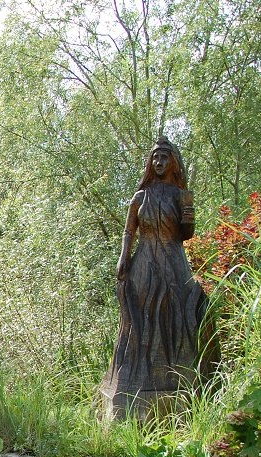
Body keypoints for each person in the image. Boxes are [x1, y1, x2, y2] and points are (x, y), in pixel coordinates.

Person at [100, 136, 209, 418]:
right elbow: (129, 232)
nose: (159, 163)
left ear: (173, 162)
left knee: (179, 315)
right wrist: (124, 257)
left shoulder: (180, 195)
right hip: (144, 263)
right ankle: (133, 377)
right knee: (140, 318)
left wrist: (188, 210)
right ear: (150, 163)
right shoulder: (140, 198)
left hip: (174, 263)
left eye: (164, 158)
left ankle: (179, 376)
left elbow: (187, 235)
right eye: (155, 158)